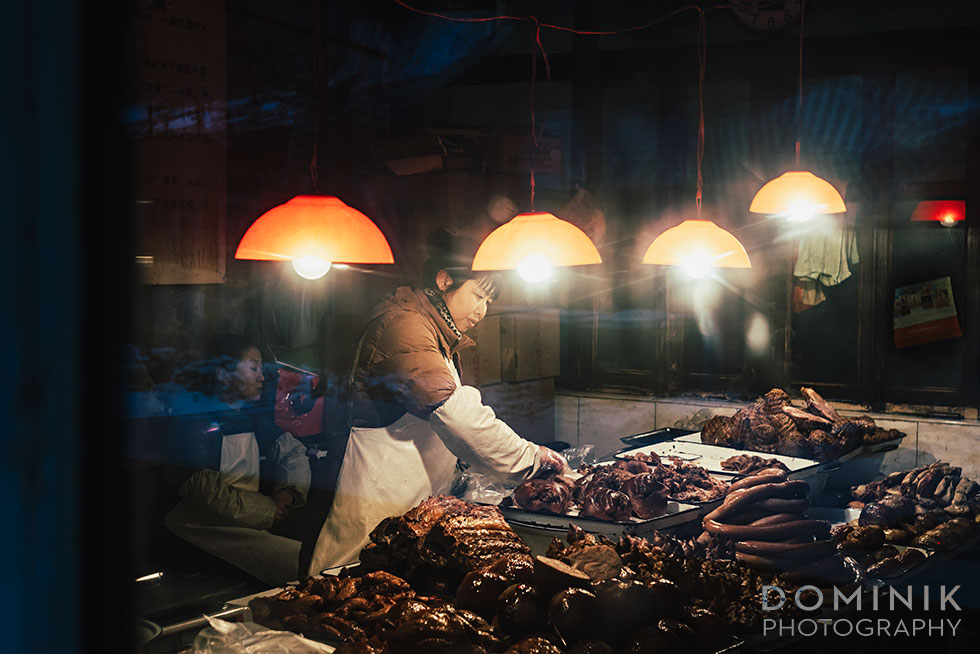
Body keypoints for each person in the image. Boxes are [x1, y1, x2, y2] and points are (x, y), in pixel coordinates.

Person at [308, 229, 568, 573]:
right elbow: (456, 415)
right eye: (478, 296)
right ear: (445, 280)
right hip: (368, 504)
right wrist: (531, 457)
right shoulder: (404, 327)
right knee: (342, 590)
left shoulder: (435, 334)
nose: (482, 311)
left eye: (489, 302)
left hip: (405, 512)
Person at [163, 335, 312, 585]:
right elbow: (206, 496)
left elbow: (292, 452)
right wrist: (268, 510)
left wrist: (288, 492)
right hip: (201, 530)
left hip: (244, 523)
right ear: (223, 375)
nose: (262, 377)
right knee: (295, 564)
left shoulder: (251, 419)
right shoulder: (195, 421)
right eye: (253, 367)